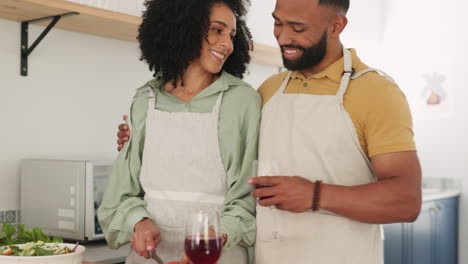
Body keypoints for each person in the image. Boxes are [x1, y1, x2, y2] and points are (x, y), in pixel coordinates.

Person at [117, 0, 422, 263]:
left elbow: (406, 200)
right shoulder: (268, 93)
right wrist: (142, 138)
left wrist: (316, 195)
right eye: (277, 23)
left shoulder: (376, 92)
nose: (283, 37)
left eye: (298, 28)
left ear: (336, 25)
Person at [98, 0, 260, 263]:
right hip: (151, 256)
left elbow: (248, 198)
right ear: (183, 27)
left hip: (216, 255)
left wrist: (215, 237)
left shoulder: (242, 102)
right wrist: (139, 222)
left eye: (231, 35)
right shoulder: (145, 100)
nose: (227, 45)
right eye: (216, 30)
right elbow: (122, 194)